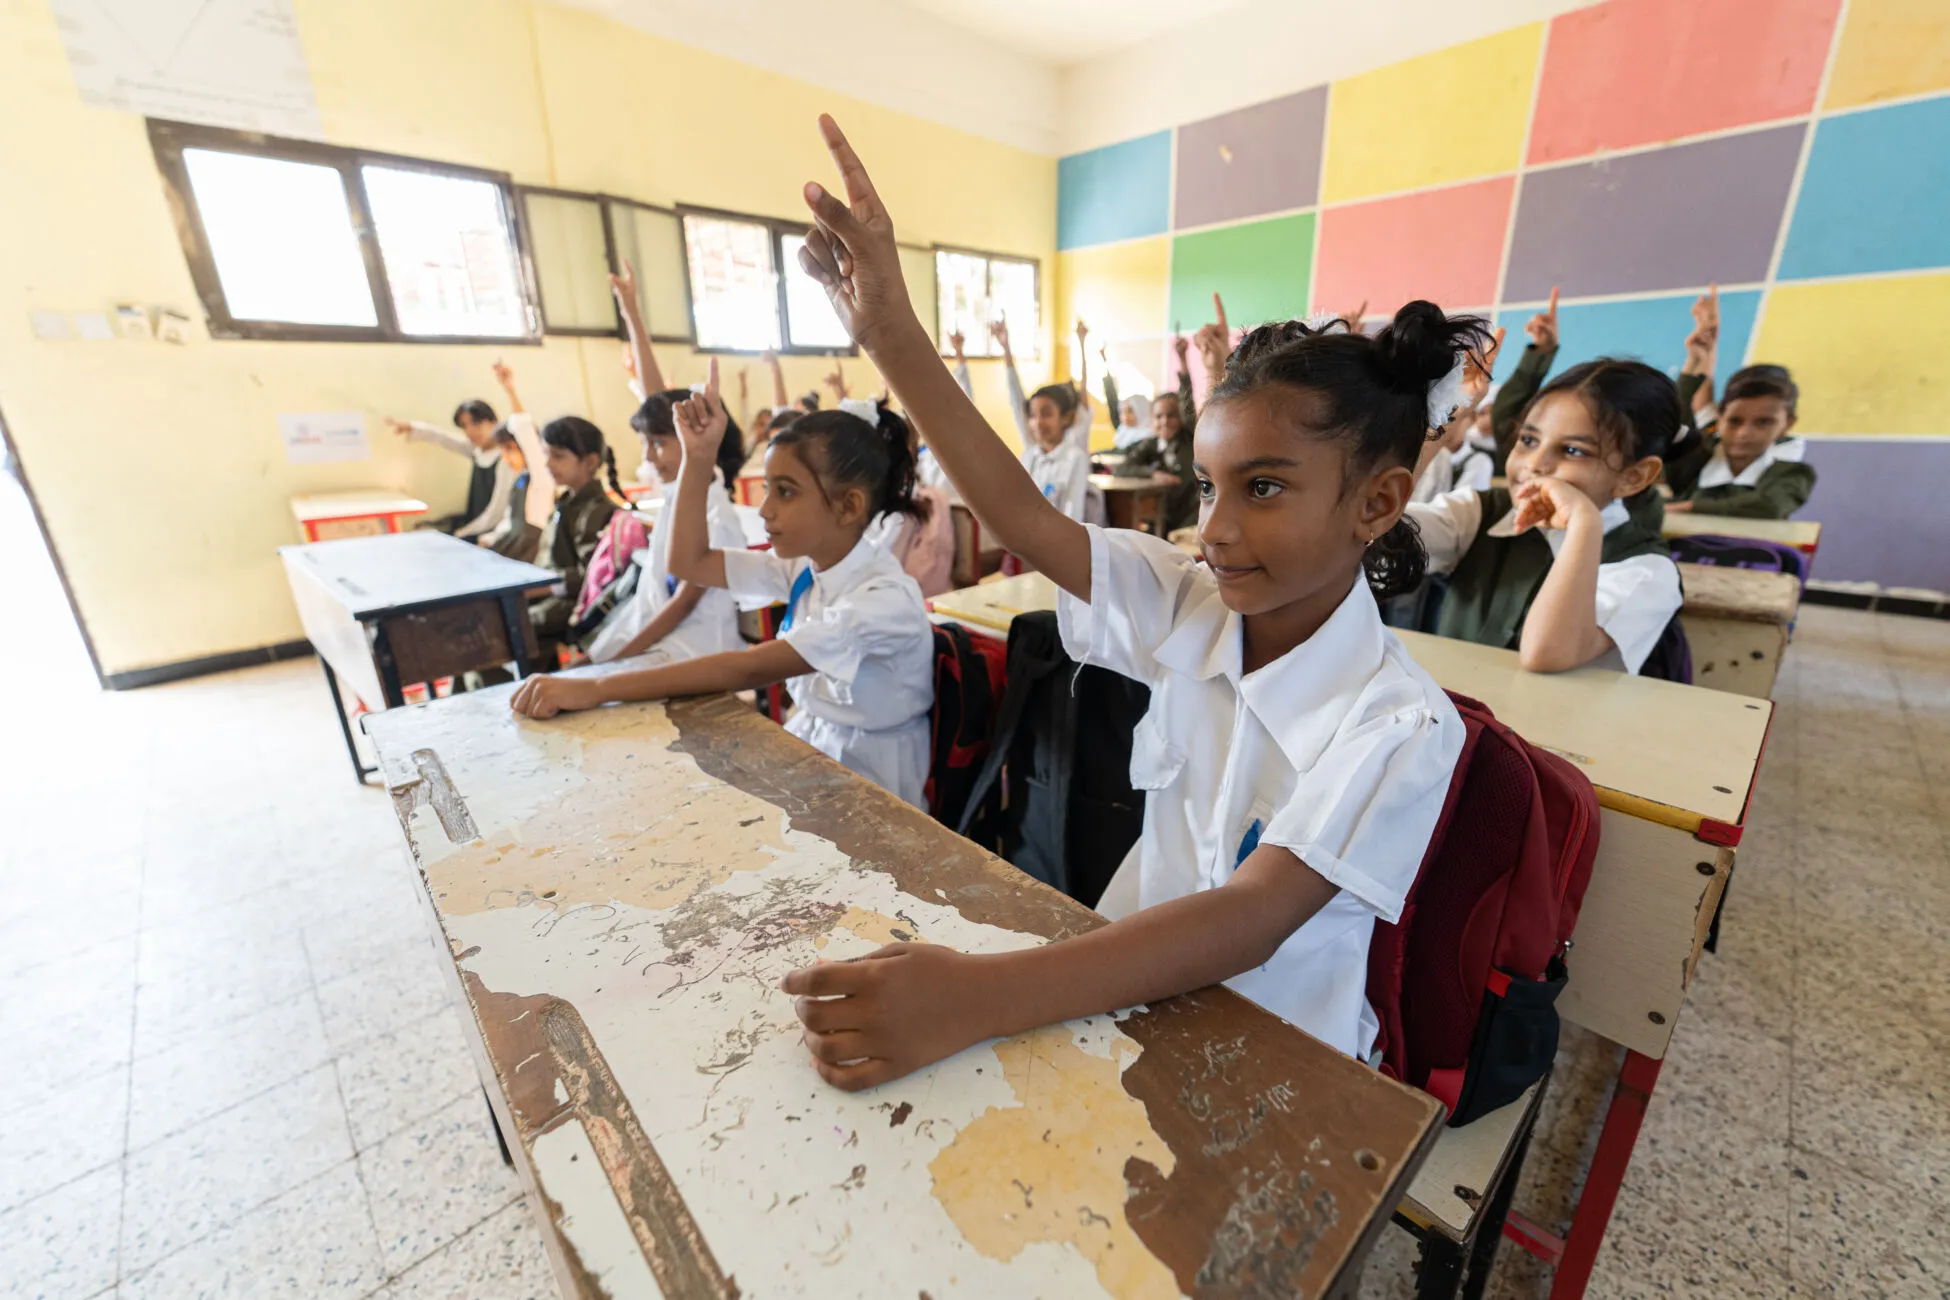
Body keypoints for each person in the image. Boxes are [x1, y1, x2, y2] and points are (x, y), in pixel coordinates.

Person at [770, 114, 1471, 1089]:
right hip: (1115, 994)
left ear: (1381, 502)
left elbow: (1248, 919)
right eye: (1206, 487)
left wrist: (975, 995)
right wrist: (889, 331)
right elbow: (1017, 507)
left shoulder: (1401, 724)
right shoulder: (1193, 603)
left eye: (1261, 488)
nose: (1214, 530)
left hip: (1276, 1066)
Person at [511, 362, 936, 808]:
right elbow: (691, 563)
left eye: (785, 492)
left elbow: (747, 668)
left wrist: (598, 687)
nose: (766, 509)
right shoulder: (805, 569)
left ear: (849, 506)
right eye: (768, 488)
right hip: (817, 748)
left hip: (875, 783)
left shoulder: (881, 600)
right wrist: (698, 458)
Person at [1408, 359, 1683, 674]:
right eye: (1528, 441)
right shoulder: (1480, 513)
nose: (1535, 464)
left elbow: (1545, 653)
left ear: (1634, 476)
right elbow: (1371, 533)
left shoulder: (1647, 570)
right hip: (1452, 716)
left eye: (1573, 451)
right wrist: (1439, 422)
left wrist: (1583, 523)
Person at [586, 390, 750, 665]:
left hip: (696, 648)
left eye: (658, 442)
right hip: (663, 638)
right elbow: (650, 601)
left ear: (695, 439)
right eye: (644, 444)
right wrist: (598, 659)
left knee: (602, 684)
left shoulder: (716, 516)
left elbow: (683, 604)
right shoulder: (676, 500)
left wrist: (617, 660)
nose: (648, 456)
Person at [1665, 289, 1814, 519]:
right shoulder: (1707, 443)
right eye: (1734, 421)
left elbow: (1770, 505)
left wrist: (1685, 507)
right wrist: (1700, 353)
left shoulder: (1788, 465)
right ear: (1721, 415)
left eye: (1763, 422)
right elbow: (1692, 401)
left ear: (1787, 424)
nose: (1745, 433)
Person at [528, 417, 623, 655]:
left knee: (502, 627)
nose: (548, 464)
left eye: (558, 456)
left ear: (590, 461)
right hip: (550, 598)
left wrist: (543, 588)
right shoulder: (566, 503)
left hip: (575, 604)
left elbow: (588, 576)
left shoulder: (597, 510)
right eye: (546, 455)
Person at [994, 317, 1092, 455]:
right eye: (1033, 415)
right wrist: (1006, 348)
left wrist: (1082, 344)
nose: (1038, 422)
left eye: (1047, 414)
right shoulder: (1033, 447)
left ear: (1066, 418)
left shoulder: (1074, 444)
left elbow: (1083, 393)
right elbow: (1016, 399)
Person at [477, 428, 541, 562]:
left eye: (510, 449)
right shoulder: (521, 479)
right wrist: (493, 537)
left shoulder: (540, 483)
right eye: (503, 451)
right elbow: (510, 519)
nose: (505, 458)